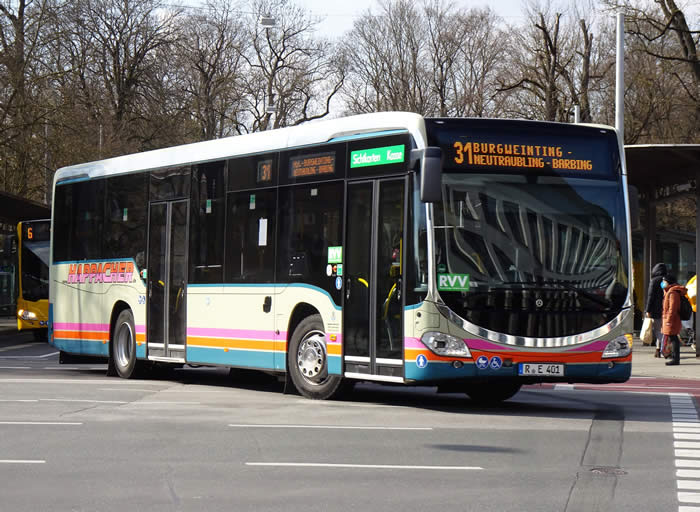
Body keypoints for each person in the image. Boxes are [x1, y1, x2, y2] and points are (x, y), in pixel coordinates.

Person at [661, 274, 687, 366]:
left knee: (673, 338)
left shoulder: (672, 293)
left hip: (672, 319)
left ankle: (676, 359)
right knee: (672, 338)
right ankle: (674, 357)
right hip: (670, 318)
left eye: (664, 281)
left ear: (668, 282)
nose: (662, 283)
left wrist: (669, 320)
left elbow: (673, 308)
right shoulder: (669, 291)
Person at [645, 263, 668, 357]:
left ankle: (664, 349)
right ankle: (659, 349)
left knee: (658, 330)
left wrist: (648, 310)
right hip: (667, 309)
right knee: (663, 330)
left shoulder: (654, 281)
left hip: (656, 310)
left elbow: (650, 296)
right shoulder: (668, 280)